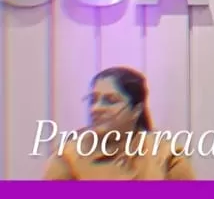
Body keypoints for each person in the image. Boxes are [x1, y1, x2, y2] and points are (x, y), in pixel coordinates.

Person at [42, 66, 195, 181]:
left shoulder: (167, 156)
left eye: (110, 101)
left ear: (136, 110)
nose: (96, 108)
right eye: (93, 100)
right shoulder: (68, 157)